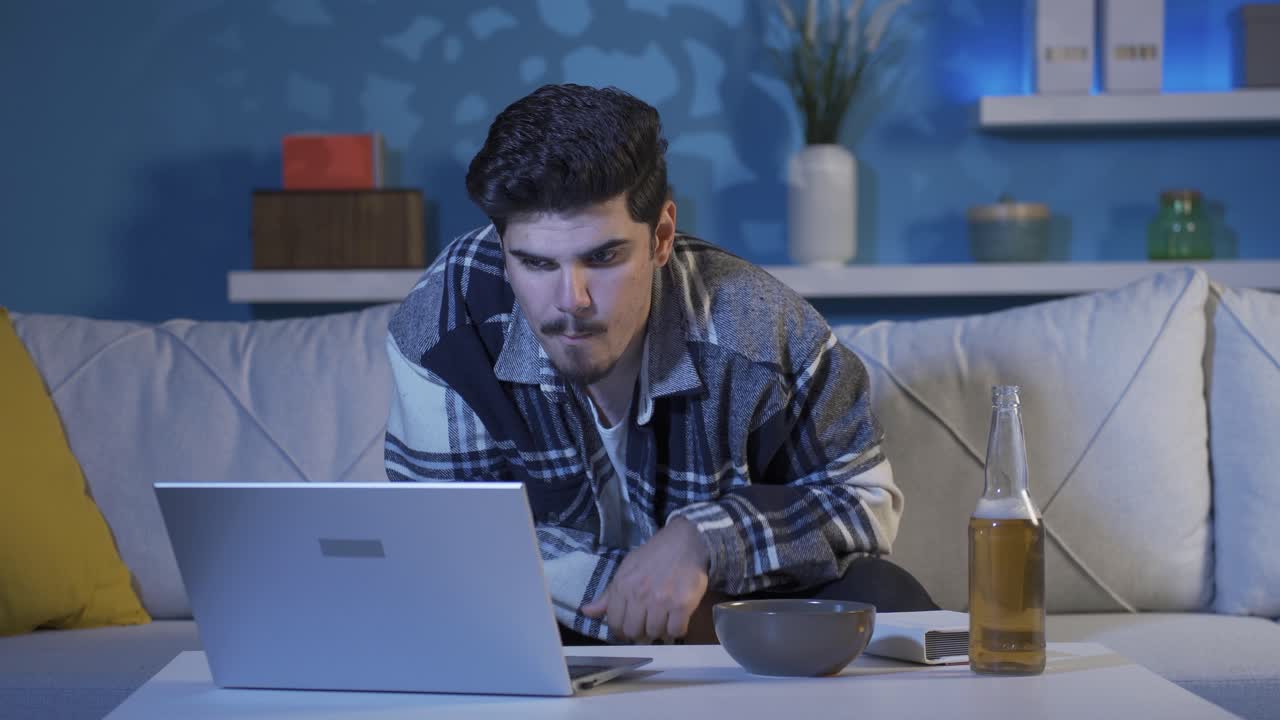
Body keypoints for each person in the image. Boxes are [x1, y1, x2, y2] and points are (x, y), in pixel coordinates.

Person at [384, 83, 936, 645]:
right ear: (503, 248)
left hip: (740, 605)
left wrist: (703, 539)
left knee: (886, 593)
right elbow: (450, 540)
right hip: (545, 617)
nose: (571, 299)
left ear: (662, 236)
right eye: (535, 263)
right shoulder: (445, 324)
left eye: (603, 257)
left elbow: (864, 503)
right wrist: (654, 603)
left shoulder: (758, 325)